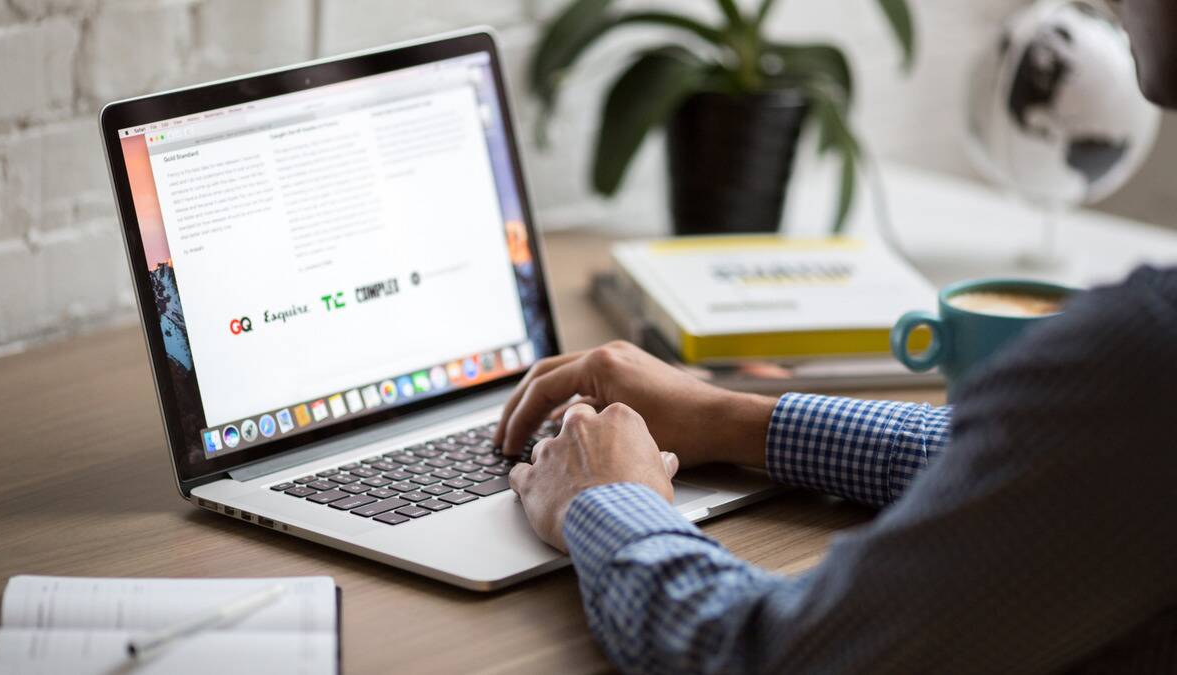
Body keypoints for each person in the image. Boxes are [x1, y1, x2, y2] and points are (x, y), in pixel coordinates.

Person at [495, 2, 1177, 672]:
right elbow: (1049, 462)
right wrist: (732, 417)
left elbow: (765, 652)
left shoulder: (1144, 351)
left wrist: (606, 501)